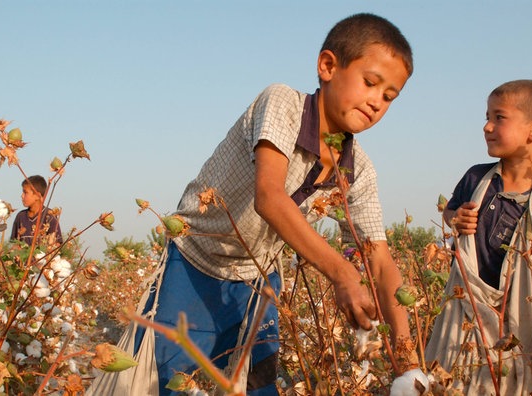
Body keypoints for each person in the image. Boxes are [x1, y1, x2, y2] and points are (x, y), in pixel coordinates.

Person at [90, 13, 414, 395]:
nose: (377, 101)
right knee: (173, 384)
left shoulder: (358, 169)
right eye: (370, 83)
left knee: (260, 385)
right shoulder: (283, 104)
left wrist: (408, 359)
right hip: (193, 264)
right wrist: (343, 274)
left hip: (257, 277)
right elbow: (269, 198)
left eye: (389, 96)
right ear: (327, 66)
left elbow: (378, 256)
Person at [425, 80, 532, 394]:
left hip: (516, 324)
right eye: (487, 116)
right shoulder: (477, 178)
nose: (486, 126)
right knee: (450, 379)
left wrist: (514, 302)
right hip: (465, 310)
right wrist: (456, 218)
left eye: (499, 117)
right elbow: (450, 213)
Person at [10, 175, 63, 245]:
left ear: (37, 196)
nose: (22, 196)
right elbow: (15, 244)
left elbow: (56, 245)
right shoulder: (21, 216)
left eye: (25, 192)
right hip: (24, 256)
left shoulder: (50, 216)